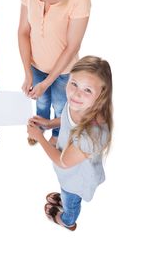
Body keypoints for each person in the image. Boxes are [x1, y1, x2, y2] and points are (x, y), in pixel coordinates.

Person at [18, 0, 91, 146]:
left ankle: (58, 134)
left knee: (60, 105)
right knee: (41, 102)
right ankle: (39, 128)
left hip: (65, 71)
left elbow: (72, 46)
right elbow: (23, 31)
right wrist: (27, 72)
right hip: (36, 65)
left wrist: (48, 81)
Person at [27, 56, 113, 230]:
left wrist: (40, 137)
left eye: (87, 90)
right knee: (66, 191)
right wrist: (49, 123)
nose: (76, 93)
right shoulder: (77, 104)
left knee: (70, 197)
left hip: (76, 179)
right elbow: (66, 119)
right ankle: (65, 198)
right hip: (70, 172)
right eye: (73, 83)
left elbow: (63, 162)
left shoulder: (91, 135)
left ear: (101, 94)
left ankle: (67, 219)